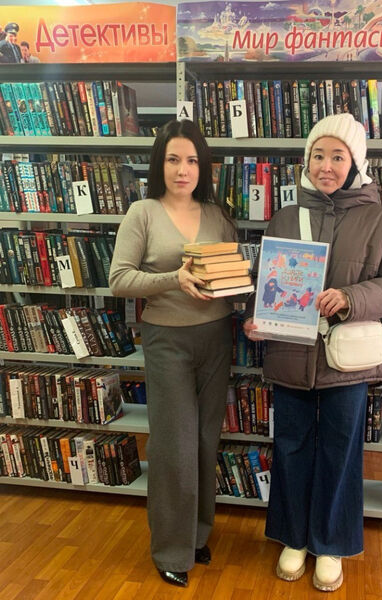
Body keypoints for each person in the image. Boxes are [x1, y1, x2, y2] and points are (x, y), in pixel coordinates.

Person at [243, 113, 382, 592]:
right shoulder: (285, 216)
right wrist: (257, 320)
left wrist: (351, 297)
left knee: (340, 451)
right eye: (318, 155)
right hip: (289, 355)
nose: (326, 165)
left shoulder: (379, 220)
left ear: (355, 163)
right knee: (290, 447)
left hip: (347, 361)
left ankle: (331, 543)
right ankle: (293, 537)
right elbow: (267, 282)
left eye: (338, 157)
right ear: (307, 160)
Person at [109, 119, 237, 588]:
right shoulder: (142, 212)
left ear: (203, 167)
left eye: (191, 160)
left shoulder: (217, 215)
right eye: (173, 159)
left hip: (217, 336)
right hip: (167, 341)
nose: (183, 170)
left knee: (204, 441)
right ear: (158, 164)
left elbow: (230, 274)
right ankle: (170, 548)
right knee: (174, 447)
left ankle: (196, 535)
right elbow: (119, 279)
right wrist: (173, 279)